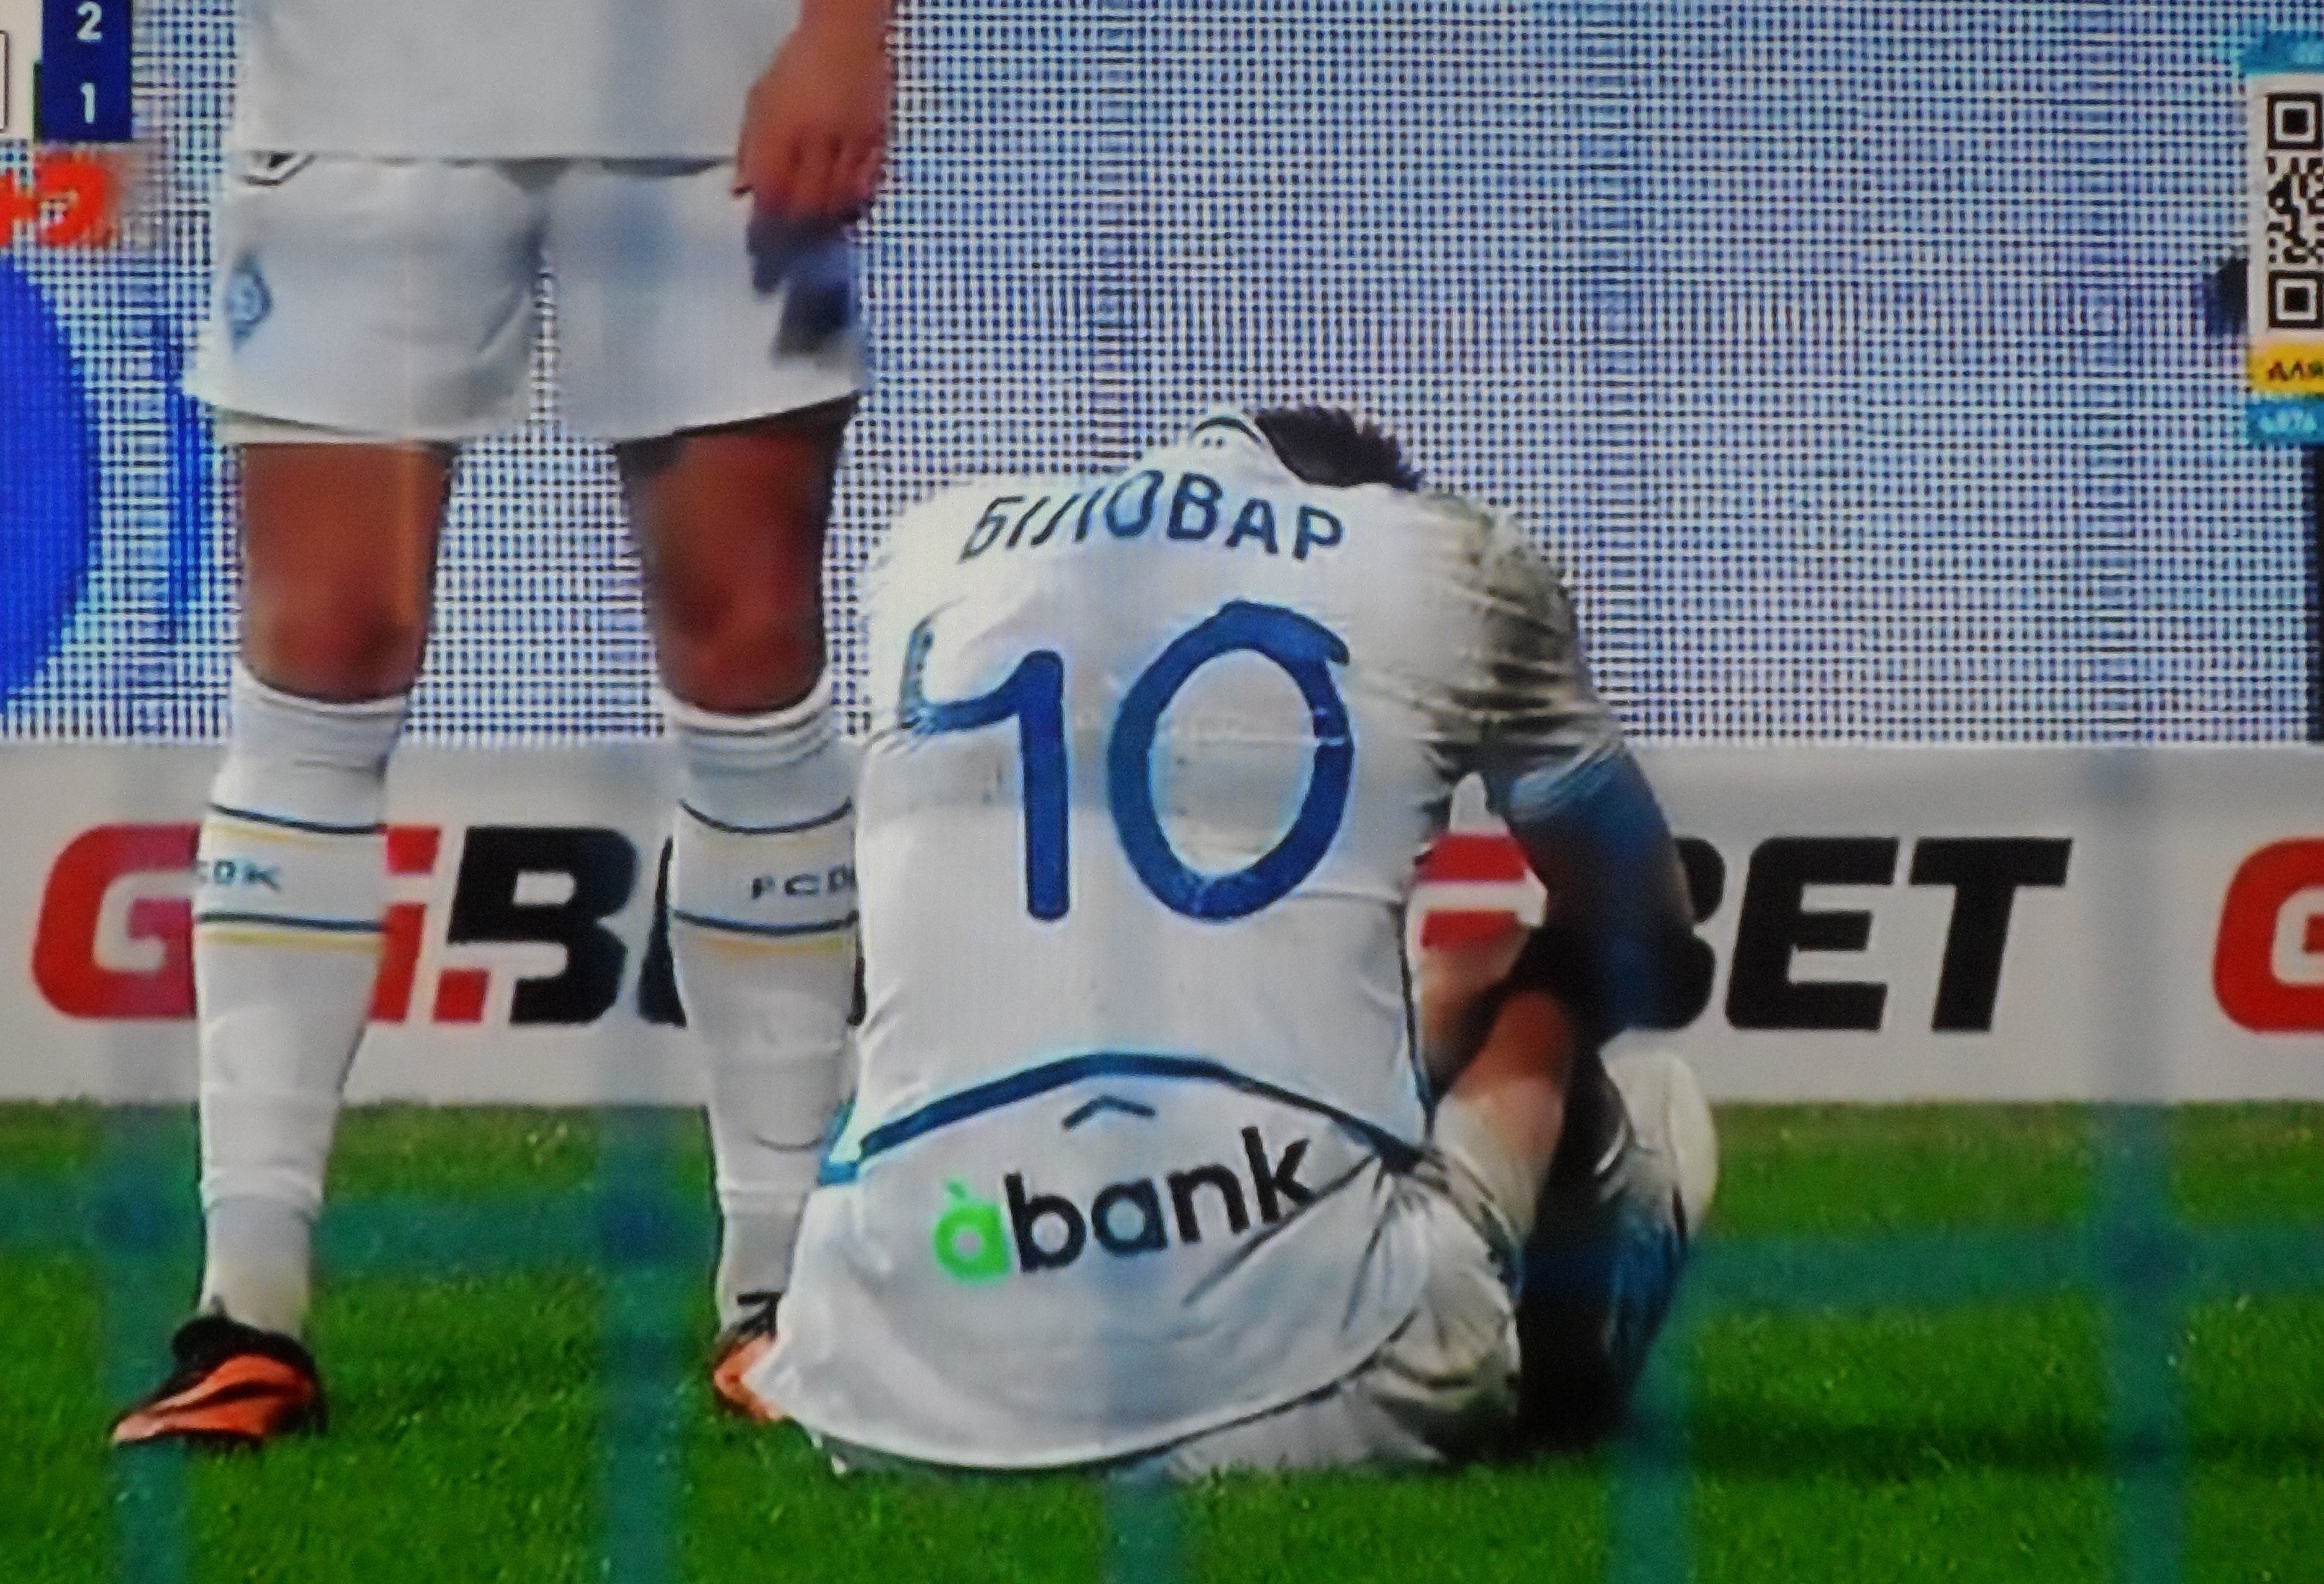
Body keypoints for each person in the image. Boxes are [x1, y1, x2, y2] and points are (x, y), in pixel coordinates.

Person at [110, 0, 893, 1449]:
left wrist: (844, 28)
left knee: (749, 648)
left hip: (710, 84)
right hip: (353, 84)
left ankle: (788, 1291)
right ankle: (247, 1312)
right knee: (323, 650)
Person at [732, 406, 1718, 1472]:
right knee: (1560, 988)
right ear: (1362, 501)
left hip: (887, 1394)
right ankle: (1573, 1345)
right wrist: (1558, 970)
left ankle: (802, 1310)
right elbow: (1648, 938)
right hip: (1325, 1380)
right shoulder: (1447, 565)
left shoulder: (931, 546)